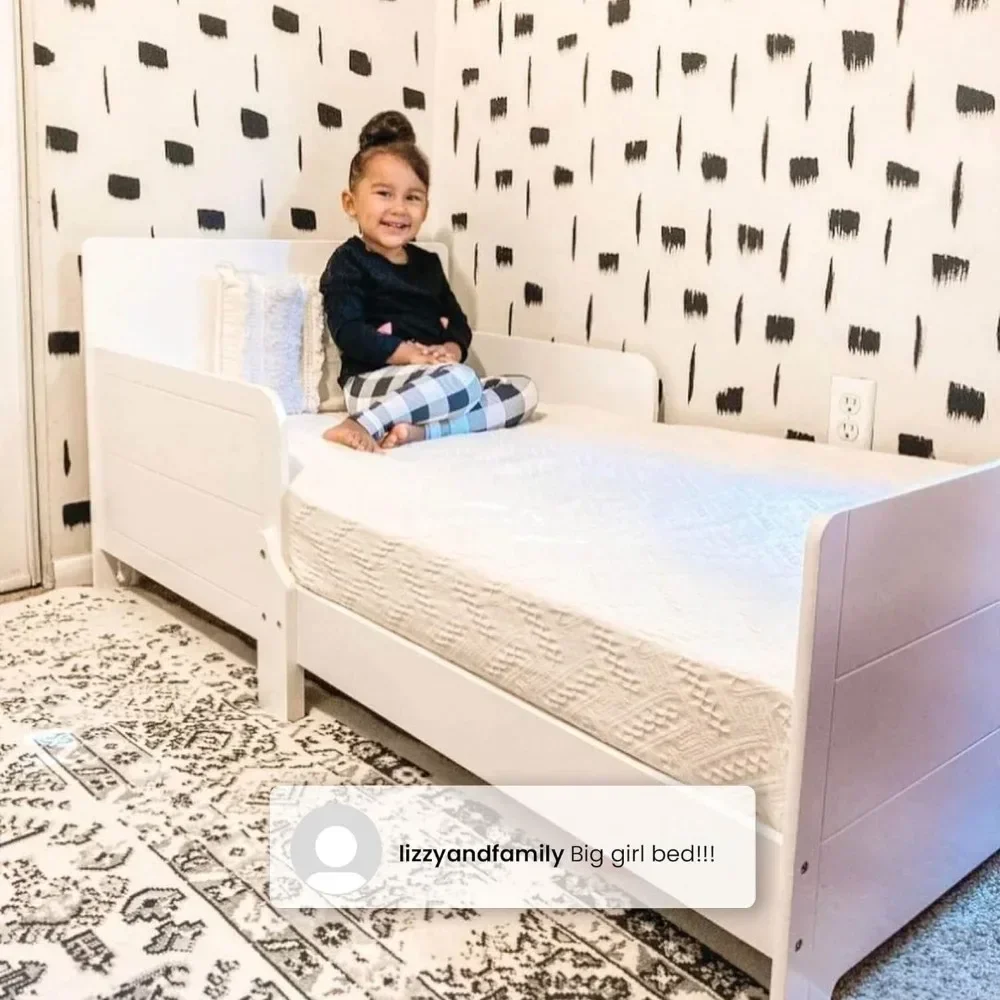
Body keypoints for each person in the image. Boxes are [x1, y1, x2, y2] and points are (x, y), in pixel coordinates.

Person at [319, 110, 538, 452]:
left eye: (412, 197)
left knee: (523, 392)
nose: (399, 208)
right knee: (463, 381)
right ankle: (361, 423)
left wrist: (450, 349)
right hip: (370, 383)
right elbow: (349, 331)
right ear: (351, 202)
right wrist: (408, 354)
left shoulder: (429, 264)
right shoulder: (349, 262)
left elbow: (458, 323)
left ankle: (419, 432)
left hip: (433, 380)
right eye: (384, 193)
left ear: (425, 207)